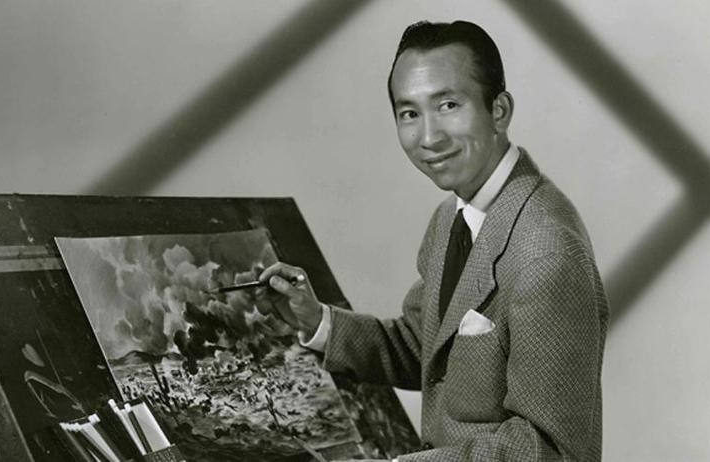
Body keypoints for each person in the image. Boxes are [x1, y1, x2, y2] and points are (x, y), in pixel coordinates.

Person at [260, 20, 607, 462]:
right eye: (409, 113)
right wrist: (318, 320)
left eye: (448, 105)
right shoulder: (452, 218)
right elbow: (425, 347)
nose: (429, 137)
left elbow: (550, 450)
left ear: (499, 110)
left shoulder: (546, 252)